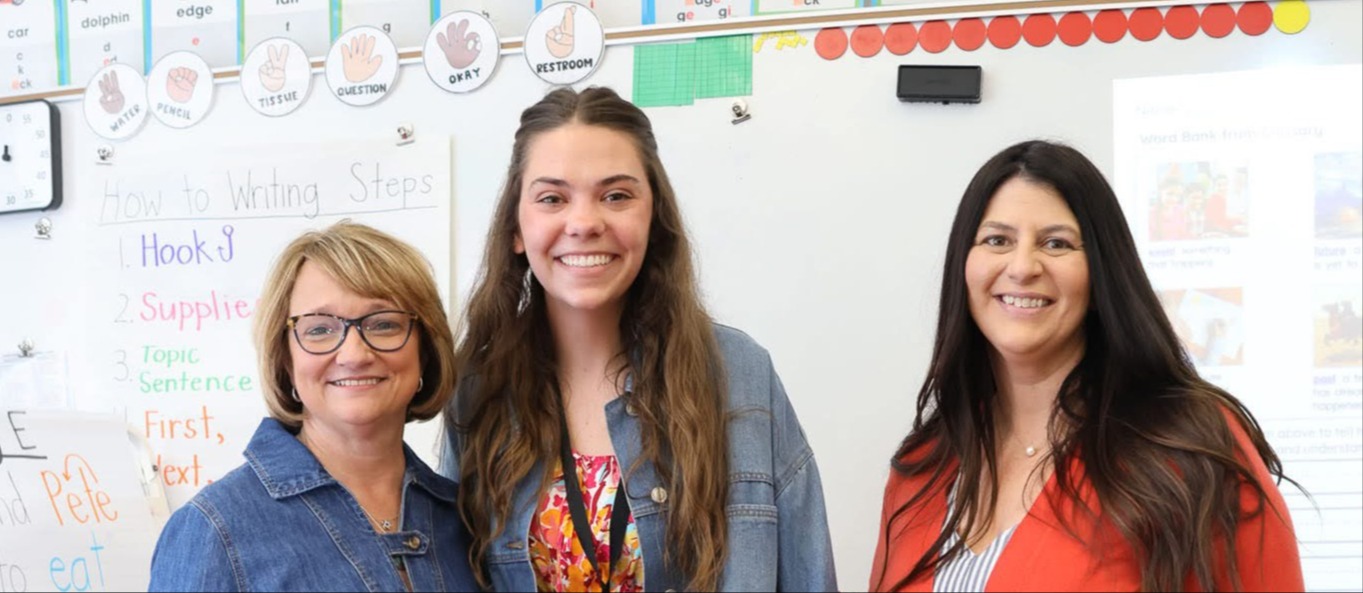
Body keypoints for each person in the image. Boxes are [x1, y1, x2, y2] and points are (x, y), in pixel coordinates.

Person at [442, 86, 836, 592]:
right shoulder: (477, 392)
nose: (584, 223)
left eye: (616, 195)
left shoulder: (740, 375)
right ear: (517, 228)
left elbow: (810, 578)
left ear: (655, 218)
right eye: (552, 198)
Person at [868, 141, 1303, 592]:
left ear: (1100, 275)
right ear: (964, 264)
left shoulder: (1191, 449)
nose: (1022, 267)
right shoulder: (921, 469)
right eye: (997, 240)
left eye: (1056, 243)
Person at [149, 221, 478, 592]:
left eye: (384, 324)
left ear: (425, 351)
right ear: (285, 360)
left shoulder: (467, 522)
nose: (354, 354)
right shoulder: (214, 530)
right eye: (319, 329)